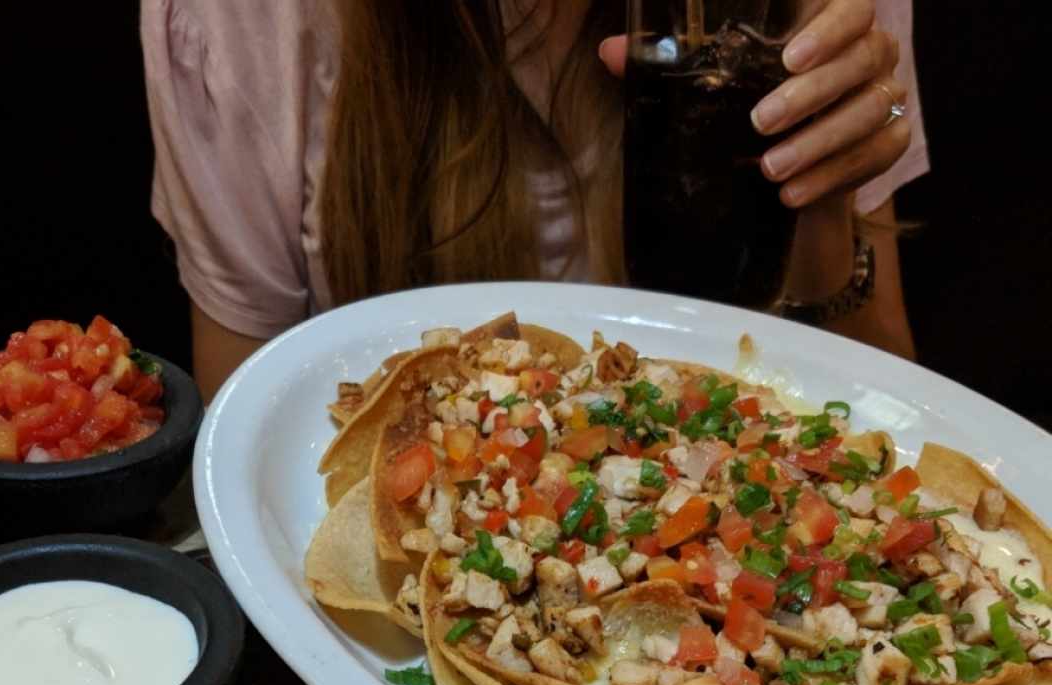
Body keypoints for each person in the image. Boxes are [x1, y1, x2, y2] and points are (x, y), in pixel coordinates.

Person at [142, 0, 927, 404]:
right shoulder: (242, 20)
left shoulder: (825, 10)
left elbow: (884, 406)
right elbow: (247, 426)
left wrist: (821, 201)